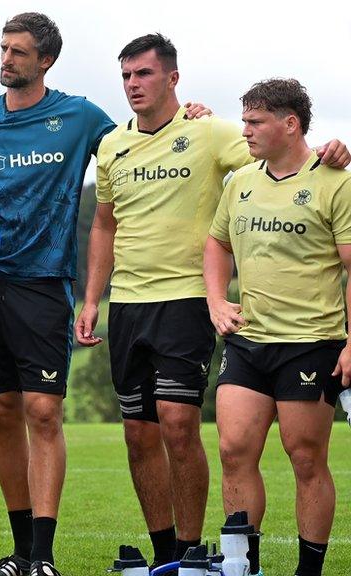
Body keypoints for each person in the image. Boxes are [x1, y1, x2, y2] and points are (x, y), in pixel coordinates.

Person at [75, 34, 350, 570]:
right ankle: (205, 561)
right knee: (174, 439)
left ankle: (217, 552)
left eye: (144, 74)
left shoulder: (214, 134)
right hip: (164, 313)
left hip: (238, 319)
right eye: (126, 75)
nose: (133, 85)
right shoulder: (116, 146)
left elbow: (293, 161)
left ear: (172, 78)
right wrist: (94, 299)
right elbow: (125, 227)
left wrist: (332, 150)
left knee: (215, 431)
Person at [0, 13, 116, 576]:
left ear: (45, 60)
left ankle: (42, 557)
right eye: (2, 49)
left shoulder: (80, 116)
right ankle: (20, 553)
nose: (6, 60)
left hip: (45, 283)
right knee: (0, 412)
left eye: (18, 52)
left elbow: (138, 149)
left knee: (43, 411)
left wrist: (190, 116)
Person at [204, 78, 351, 576]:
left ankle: (309, 570)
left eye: (255, 121)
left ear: (290, 124)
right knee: (232, 448)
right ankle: (244, 566)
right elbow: (217, 244)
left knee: (305, 457)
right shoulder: (241, 181)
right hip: (249, 340)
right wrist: (216, 300)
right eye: (243, 120)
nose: (244, 130)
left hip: (311, 343)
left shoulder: (336, 180)